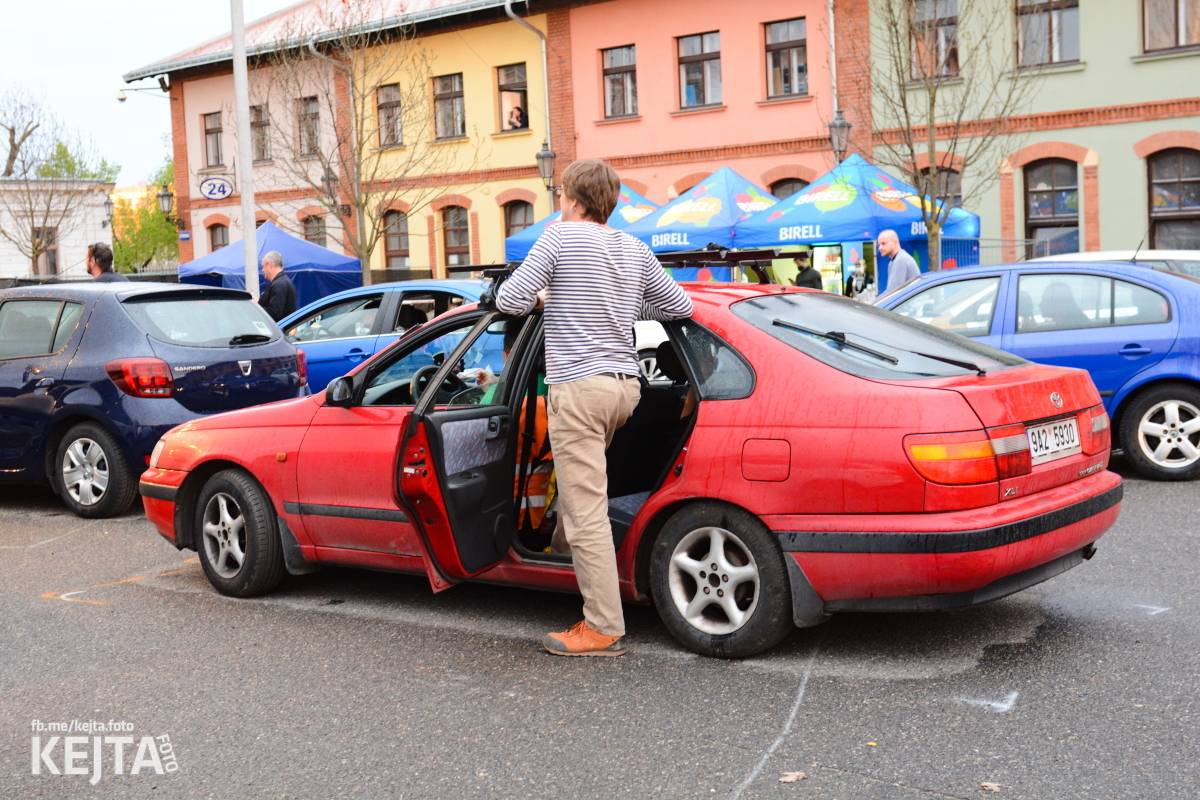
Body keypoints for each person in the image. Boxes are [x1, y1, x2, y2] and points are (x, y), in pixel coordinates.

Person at [496, 158, 693, 658]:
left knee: (586, 511)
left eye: (561, 194)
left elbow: (510, 301)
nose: (559, 202)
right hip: (625, 390)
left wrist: (547, 299)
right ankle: (562, 560)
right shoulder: (633, 247)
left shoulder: (558, 238)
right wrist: (620, 307)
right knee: (580, 491)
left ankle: (602, 626)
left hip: (580, 389)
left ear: (572, 199)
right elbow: (679, 307)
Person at [877, 229, 920, 296]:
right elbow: (890, 291)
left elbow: (893, 293)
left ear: (895, 242)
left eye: (883, 243)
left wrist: (875, 301)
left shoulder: (901, 259)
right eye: (879, 245)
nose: (880, 248)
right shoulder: (895, 260)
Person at [258, 250, 296, 321]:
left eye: (263, 266)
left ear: (270, 265)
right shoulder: (282, 282)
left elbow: (274, 313)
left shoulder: (279, 285)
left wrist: (256, 307)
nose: (262, 270)